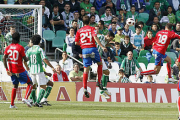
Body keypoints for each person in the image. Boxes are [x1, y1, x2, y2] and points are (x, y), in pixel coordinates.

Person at [75, 16, 107, 98]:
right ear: (89, 22)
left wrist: (82, 44)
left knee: (86, 69)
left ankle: (85, 88)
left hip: (84, 50)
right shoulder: (92, 28)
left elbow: (76, 43)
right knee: (100, 64)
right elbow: (95, 37)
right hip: (92, 48)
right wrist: (102, 46)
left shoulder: (79, 31)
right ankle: (99, 81)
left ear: (82, 22)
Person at [3, 32, 33, 108]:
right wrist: (29, 57)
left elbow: (4, 58)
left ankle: (12, 104)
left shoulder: (8, 47)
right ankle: (26, 98)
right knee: (30, 83)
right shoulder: (20, 47)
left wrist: (7, 69)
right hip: (20, 70)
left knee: (15, 86)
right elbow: (25, 59)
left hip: (11, 70)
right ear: (19, 39)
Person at [26, 34, 56, 107]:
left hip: (31, 71)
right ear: (39, 42)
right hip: (39, 71)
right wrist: (52, 67)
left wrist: (27, 67)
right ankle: (38, 102)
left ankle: (33, 101)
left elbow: (25, 60)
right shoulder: (40, 49)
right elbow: (44, 59)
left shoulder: (29, 50)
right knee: (43, 87)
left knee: (33, 87)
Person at [95, 27, 114, 99]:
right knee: (101, 73)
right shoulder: (101, 36)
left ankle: (104, 88)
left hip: (99, 57)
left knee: (107, 72)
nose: (110, 40)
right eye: (111, 39)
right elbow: (94, 37)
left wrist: (110, 45)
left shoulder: (105, 41)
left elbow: (105, 43)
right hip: (94, 57)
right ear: (107, 36)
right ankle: (101, 91)